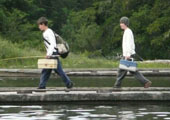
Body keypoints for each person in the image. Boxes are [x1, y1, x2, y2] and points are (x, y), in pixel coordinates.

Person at [114, 16, 152, 88]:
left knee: (122, 71)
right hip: (127, 55)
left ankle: (117, 86)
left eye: (121, 23)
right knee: (131, 71)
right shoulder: (127, 31)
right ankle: (146, 82)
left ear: (125, 23)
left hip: (128, 55)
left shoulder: (128, 32)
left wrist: (127, 55)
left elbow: (128, 44)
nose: (120, 24)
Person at [37, 17, 73, 89]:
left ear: (43, 24)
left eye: (39, 25)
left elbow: (52, 44)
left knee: (58, 70)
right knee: (46, 70)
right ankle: (42, 85)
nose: (39, 27)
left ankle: (69, 83)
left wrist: (49, 54)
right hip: (52, 53)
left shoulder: (48, 32)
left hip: (52, 54)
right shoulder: (46, 32)